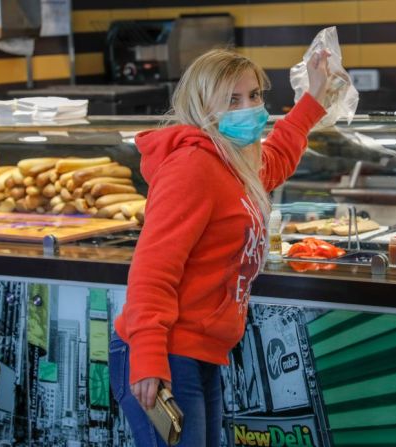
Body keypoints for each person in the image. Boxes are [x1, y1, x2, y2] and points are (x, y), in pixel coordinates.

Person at [108, 47, 331, 447]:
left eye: (255, 95)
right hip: (165, 354)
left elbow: (275, 159)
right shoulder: (193, 166)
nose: (249, 108)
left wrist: (312, 98)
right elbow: (152, 269)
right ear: (202, 105)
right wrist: (148, 357)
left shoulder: (231, 160)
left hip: (199, 353)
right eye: (232, 99)